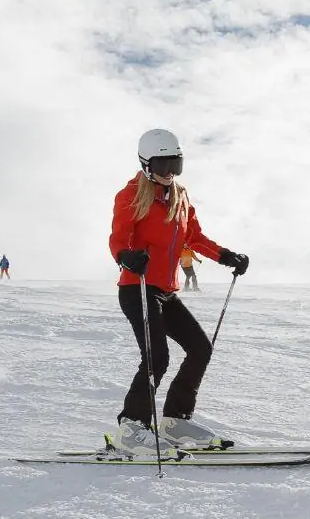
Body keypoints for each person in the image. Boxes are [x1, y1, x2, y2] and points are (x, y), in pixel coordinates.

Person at [106, 128, 250, 453]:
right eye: (162, 165)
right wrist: (125, 257)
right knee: (157, 357)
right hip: (137, 287)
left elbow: (194, 238)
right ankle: (131, 427)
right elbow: (118, 236)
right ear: (146, 164)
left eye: (175, 164)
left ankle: (175, 421)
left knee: (200, 348)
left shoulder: (181, 197)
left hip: (167, 292)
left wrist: (226, 256)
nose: (169, 172)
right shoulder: (130, 195)